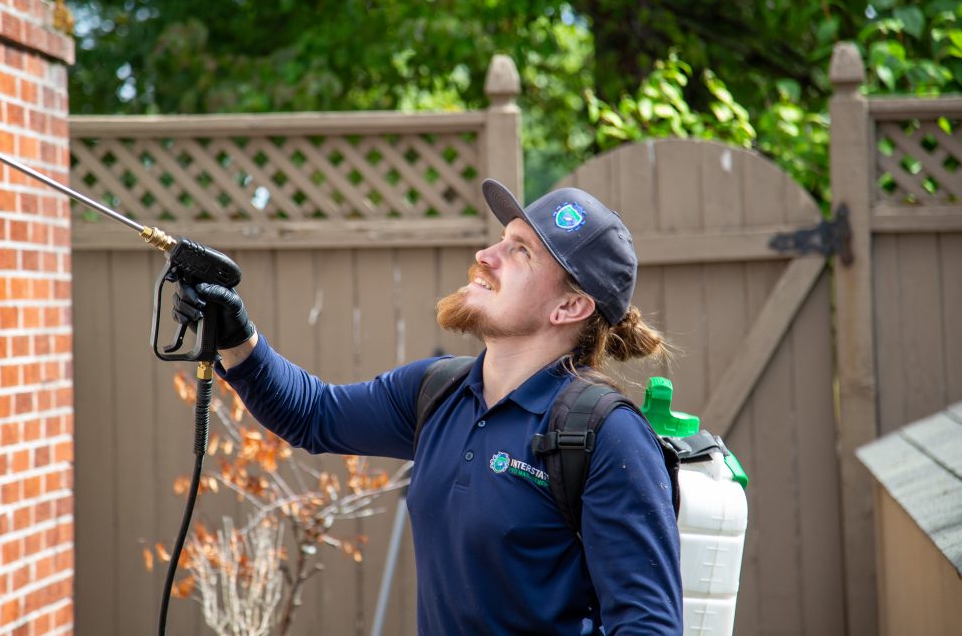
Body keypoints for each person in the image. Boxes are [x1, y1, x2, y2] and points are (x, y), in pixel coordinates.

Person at [173, 178, 683, 635]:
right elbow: (313, 414)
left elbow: (649, 626)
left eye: (520, 252)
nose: (486, 255)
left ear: (569, 307)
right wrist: (235, 336)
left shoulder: (605, 436)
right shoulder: (437, 391)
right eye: (501, 239)